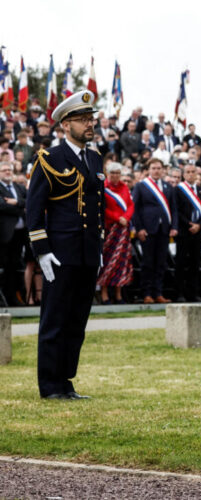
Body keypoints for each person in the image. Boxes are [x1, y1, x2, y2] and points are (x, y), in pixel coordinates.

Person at [26, 90, 103, 399]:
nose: (90, 125)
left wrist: (98, 250)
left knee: (76, 322)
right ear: (65, 125)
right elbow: (34, 209)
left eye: (91, 119)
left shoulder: (95, 157)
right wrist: (42, 251)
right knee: (55, 320)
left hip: (86, 253)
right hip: (60, 253)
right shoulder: (50, 158)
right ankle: (49, 385)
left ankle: (66, 382)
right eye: (83, 120)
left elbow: (96, 208)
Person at [133, 158, 178, 304]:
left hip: (163, 230)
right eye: (153, 168)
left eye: (159, 168)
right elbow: (135, 209)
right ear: (148, 170)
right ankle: (146, 293)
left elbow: (174, 209)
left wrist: (174, 227)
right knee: (147, 263)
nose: (156, 170)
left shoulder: (168, 187)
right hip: (147, 230)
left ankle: (158, 293)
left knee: (161, 263)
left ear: (163, 169)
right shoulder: (141, 186)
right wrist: (139, 228)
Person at [98, 162, 134, 305]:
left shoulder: (124, 187)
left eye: (117, 173)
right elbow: (102, 207)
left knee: (121, 262)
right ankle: (105, 293)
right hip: (109, 229)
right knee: (107, 261)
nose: (115, 176)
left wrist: (126, 217)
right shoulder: (103, 188)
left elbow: (130, 205)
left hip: (123, 230)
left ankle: (118, 294)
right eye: (112, 173)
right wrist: (117, 217)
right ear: (107, 174)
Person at [174, 163, 201, 302]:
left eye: (193, 171)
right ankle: (179, 294)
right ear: (184, 174)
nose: (190, 174)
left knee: (195, 264)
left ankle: (192, 293)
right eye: (187, 172)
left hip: (198, 232)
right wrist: (190, 224)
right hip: (184, 231)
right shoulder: (178, 190)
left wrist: (199, 225)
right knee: (181, 263)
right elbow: (177, 211)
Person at [0, 160, 26, 306]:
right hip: (4, 235)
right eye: (4, 170)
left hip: (20, 235)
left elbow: (30, 201)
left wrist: (16, 202)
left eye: (9, 170)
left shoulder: (18, 187)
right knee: (3, 267)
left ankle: (13, 297)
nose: (7, 172)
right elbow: (2, 206)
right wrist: (21, 207)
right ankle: (3, 299)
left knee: (14, 267)